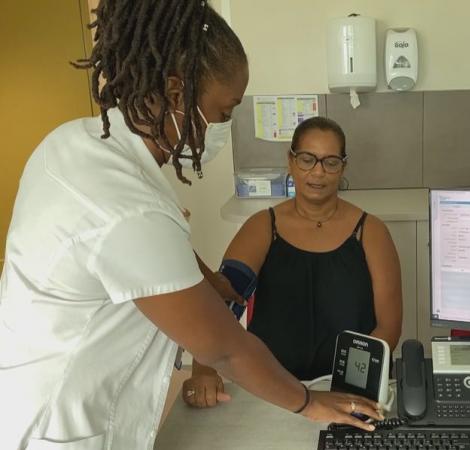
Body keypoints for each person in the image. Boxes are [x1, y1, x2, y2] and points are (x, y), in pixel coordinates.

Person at [0, 2, 382, 449]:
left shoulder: (77, 145)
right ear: (177, 94)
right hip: (59, 424)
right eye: (223, 112)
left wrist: (208, 278)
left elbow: (151, 246)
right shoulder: (130, 206)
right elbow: (223, 349)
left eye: (331, 161)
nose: (223, 126)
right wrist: (309, 403)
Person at [182, 116, 403, 408]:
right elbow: (223, 304)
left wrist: (352, 388)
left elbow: (388, 327)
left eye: (331, 162)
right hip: (270, 387)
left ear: (343, 167)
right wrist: (203, 369)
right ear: (291, 161)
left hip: (347, 390)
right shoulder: (261, 227)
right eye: (307, 159)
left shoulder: (371, 232)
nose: (318, 172)